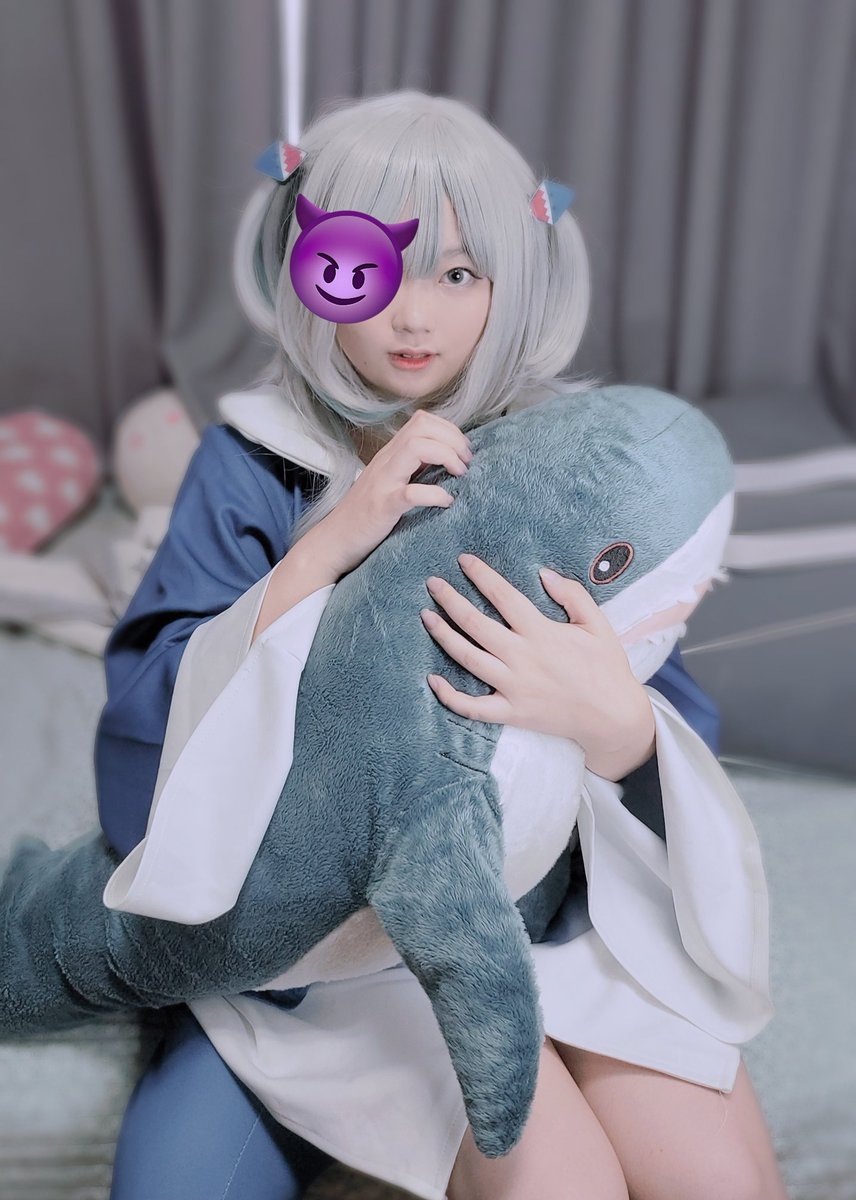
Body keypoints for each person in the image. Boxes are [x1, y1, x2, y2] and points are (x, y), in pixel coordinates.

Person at [97, 91, 788, 1199]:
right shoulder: (254, 463)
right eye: (366, 266)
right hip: (330, 951)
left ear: (514, 279)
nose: (411, 315)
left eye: (459, 273)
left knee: (721, 1183)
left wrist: (621, 735)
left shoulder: (564, 456)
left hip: (564, 911)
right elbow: (152, 733)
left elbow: (659, 698)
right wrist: (329, 548)